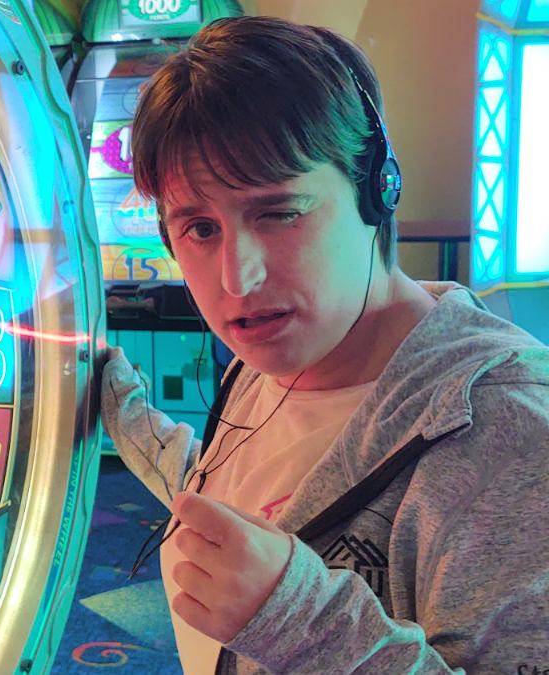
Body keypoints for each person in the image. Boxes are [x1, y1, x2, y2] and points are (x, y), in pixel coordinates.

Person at [100, 15, 549, 674]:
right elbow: (243, 494)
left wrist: (300, 622)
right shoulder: (276, 352)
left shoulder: (507, 432)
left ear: (376, 191)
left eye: (279, 212)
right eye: (199, 228)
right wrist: (116, 405)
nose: (237, 280)